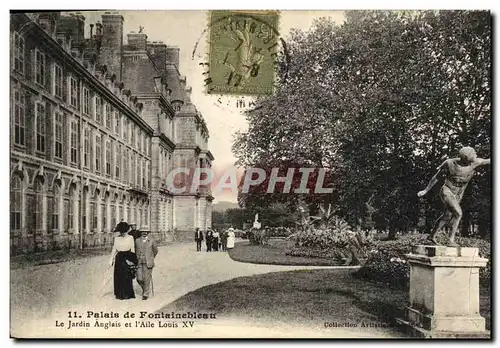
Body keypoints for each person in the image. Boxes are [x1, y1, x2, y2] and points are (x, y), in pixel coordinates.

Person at [418, 146, 490, 246]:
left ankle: (431, 236)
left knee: (446, 216)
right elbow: (436, 177)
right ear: (465, 158)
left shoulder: (476, 162)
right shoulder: (449, 163)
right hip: (447, 191)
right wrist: (426, 190)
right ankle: (451, 240)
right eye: (472, 157)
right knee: (458, 213)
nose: (475, 158)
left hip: (458, 194)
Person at [109, 221, 137, 300]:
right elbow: (114, 249)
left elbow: (133, 249)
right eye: (121, 231)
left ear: (126, 230)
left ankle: (127, 294)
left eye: (123, 231)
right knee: (118, 276)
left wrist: (132, 260)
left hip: (128, 257)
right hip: (119, 258)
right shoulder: (117, 238)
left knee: (127, 276)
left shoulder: (130, 238)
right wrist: (111, 260)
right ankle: (119, 294)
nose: (122, 233)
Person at [135, 226, 158, 300]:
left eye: (146, 232)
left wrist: (150, 258)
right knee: (139, 278)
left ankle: (145, 294)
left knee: (146, 279)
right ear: (140, 233)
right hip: (139, 262)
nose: (144, 233)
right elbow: (135, 251)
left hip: (148, 262)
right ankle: (145, 289)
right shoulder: (137, 241)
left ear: (148, 233)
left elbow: (155, 251)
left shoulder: (152, 240)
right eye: (142, 232)